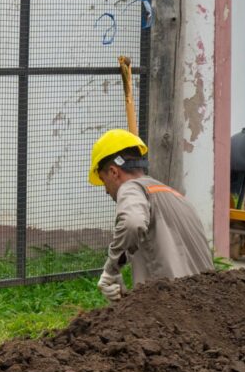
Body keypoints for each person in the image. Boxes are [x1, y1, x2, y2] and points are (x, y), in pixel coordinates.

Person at [90, 129, 214, 302]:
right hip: (208, 304)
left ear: (113, 172)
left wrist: (111, 270)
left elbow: (132, 223)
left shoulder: (131, 188)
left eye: (103, 181)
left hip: (173, 307)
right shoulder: (178, 198)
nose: (105, 190)